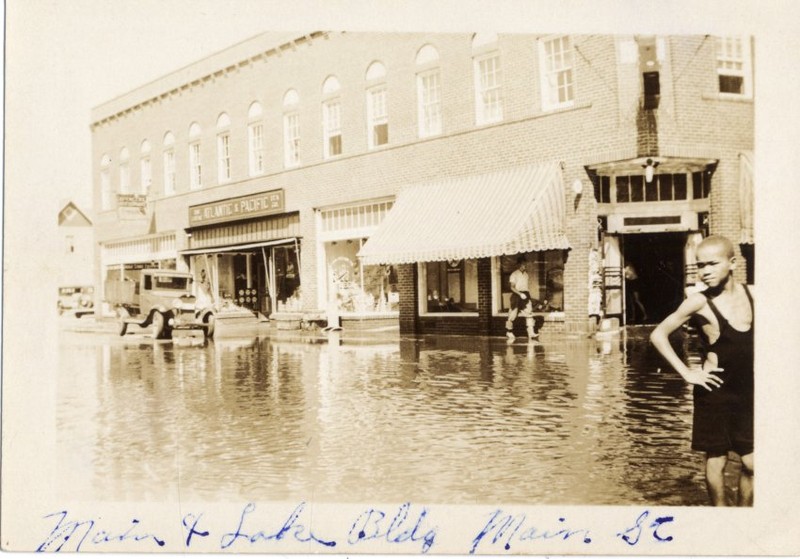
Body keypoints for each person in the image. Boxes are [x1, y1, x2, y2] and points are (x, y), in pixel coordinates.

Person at [650, 235, 753, 506]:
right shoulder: (698, 302)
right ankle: (720, 516)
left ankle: (745, 516)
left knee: (753, 463)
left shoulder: (754, 294)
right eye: (699, 265)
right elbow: (658, 334)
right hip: (714, 392)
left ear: (732, 263)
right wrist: (687, 373)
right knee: (716, 459)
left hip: (750, 393)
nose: (704, 271)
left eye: (712, 264)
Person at [506, 256, 544, 342]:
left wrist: (525, 294)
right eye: (523, 264)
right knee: (513, 314)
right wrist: (520, 294)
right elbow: (512, 287)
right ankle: (509, 332)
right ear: (519, 264)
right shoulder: (514, 274)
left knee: (529, 312)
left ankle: (531, 333)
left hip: (525, 294)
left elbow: (525, 287)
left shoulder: (526, 274)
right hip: (517, 294)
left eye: (525, 264)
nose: (525, 266)